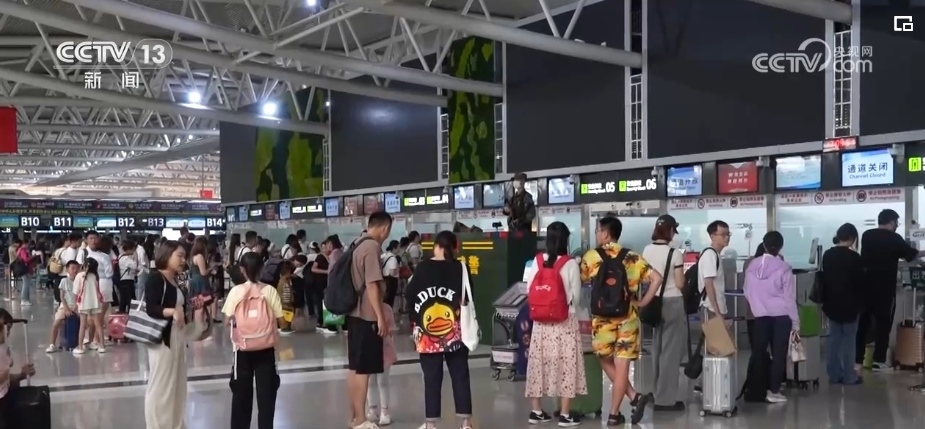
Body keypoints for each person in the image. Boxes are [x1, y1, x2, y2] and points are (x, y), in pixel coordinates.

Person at [579, 216, 661, 425]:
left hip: (601, 319)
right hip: (628, 316)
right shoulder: (632, 256)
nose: (597, 234)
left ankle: (631, 400)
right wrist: (642, 302)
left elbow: (581, 279)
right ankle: (619, 410)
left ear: (606, 233)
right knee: (622, 366)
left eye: (598, 231)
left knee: (604, 359)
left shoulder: (591, 256)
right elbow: (657, 278)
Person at [406, 230, 474, 429]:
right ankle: (466, 423)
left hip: (427, 335)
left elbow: (410, 296)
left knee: (431, 378)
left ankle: (431, 424)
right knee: (460, 375)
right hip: (456, 332)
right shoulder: (461, 268)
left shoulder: (422, 268)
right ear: (454, 248)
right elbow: (470, 295)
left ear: (436, 246)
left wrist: (415, 318)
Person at [522, 222, 586, 426]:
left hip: (541, 323)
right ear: (566, 240)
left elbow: (528, 290)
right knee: (567, 365)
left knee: (538, 364)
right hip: (565, 321)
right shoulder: (570, 263)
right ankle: (565, 414)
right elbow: (576, 297)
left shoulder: (537, 260)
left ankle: (536, 411)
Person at [857, 209, 925, 371]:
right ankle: (879, 360)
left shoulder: (867, 235)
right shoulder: (894, 239)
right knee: (883, 323)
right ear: (892, 222)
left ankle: (857, 359)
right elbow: (911, 255)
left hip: (865, 288)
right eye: (897, 222)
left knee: (863, 324)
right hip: (884, 288)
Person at [224, 252, 284, 429]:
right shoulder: (270, 291)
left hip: (242, 350)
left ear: (242, 270)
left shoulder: (236, 292)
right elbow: (282, 321)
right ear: (262, 269)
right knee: (267, 395)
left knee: (241, 394)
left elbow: (227, 321)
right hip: (266, 348)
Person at [345, 212, 393, 429]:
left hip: (354, 315)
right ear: (385, 228)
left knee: (355, 368)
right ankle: (361, 420)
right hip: (367, 316)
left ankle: (355, 417)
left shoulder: (357, 243)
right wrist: (380, 317)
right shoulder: (372, 247)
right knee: (364, 370)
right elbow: (372, 284)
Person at [743, 231, 797, 403]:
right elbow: (789, 298)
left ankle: (757, 389)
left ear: (764, 245)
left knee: (759, 353)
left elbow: (747, 291)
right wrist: (796, 323)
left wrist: (757, 307)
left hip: (760, 316)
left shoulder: (751, 266)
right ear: (780, 247)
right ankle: (774, 391)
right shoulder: (784, 268)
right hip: (781, 316)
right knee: (779, 354)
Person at [641, 215, 687, 412]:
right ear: (670, 231)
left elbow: (645, 278)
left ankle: (657, 391)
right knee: (671, 352)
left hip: (654, 302)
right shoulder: (675, 253)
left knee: (657, 349)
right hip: (672, 302)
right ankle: (665, 400)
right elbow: (680, 283)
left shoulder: (646, 250)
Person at [143, 240, 191, 429]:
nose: (183, 260)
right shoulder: (156, 278)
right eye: (179, 255)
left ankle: (175, 424)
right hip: (162, 339)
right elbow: (151, 308)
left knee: (177, 384)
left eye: (184, 256)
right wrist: (172, 312)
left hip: (177, 337)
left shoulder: (174, 280)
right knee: (161, 385)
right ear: (166, 255)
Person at [822, 223, 864, 385]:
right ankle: (849, 376)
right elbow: (860, 283)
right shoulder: (854, 258)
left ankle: (834, 375)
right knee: (849, 341)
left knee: (834, 340)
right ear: (852, 238)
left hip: (832, 303)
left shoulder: (828, 255)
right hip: (850, 305)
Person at [0, 308, 36, 429]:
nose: (7, 333)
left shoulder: (4, 346)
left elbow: (6, 381)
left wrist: (22, 375)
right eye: (3, 328)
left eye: (9, 329)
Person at [77, 230, 115, 343]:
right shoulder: (86, 253)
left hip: (96, 285)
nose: (93, 241)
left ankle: (94, 339)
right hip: (97, 284)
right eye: (91, 238)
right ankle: (94, 339)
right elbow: (109, 273)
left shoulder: (100, 254)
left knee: (95, 314)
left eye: (95, 238)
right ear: (86, 240)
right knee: (96, 315)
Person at [366, 301, 397, 426]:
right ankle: (374, 410)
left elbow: (391, 330)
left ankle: (383, 411)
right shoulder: (365, 308)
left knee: (381, 382)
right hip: (371, 351)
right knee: (371, 382)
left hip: (383, 351)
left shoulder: (386, 309)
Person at [46, 260, 80, 353]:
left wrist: (76, 307)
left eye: (77, 268)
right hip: (65, 306)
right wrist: (66, 309)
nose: (75, 270)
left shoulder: (80, 281)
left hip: (77, 306)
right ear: (67, 269)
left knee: (87, 322)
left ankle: (84, 342)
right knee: (56, 323)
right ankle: (52, 344)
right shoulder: (64, 281)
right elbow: (62, 297)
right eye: (72, 268)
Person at [73, 258, 105, 354]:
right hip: (95, 303)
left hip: (84, 303)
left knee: (82, 325)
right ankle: (102, 346)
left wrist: (75, 304)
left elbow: (75, 292)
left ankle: (80, 347)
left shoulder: (80, 275)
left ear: (85, 265)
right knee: (98, 325)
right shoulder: (95, 276)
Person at [312, 239, 335, 335]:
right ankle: (320, 323)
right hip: (319, 283)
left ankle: (328, 321)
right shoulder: (320, 257)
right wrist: (326, 272)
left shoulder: (332, 257)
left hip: (328, 283)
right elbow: (313, 269)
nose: (325, 249)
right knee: (320, 303)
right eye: (323, 247)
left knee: (326, 302)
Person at [117, 241, 140, 314]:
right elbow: (135, 266)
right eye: (133, 249)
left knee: (123, 300)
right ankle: (130, 315)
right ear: (129, 249)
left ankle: (121, 315)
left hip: (122, 280)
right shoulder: (126, 259)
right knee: (130, 300)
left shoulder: (120, 256)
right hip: (128, 280)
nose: (134, 251)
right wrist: (135, 257)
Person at [13, 240, 37, 306]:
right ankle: (24, 300)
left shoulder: (20, 250)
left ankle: (26, 299)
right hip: (26, 270)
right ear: (25, 243)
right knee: (25, 285)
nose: (28, 245)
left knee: (26, 285)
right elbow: (25, 259)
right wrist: (32, 256)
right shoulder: (23, 250)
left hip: (26, 269)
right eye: (28, 244)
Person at [277, 260, 296, 335]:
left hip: (283, 303)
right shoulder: (285, 283)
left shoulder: (281, 281)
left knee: (287, 316)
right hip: (286, 304)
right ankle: (285, 328)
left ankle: (286, 327)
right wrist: (288, 302)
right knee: (287, 316)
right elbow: (286, 294)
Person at [381, 240, 401, 308]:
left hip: (384, 279)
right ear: (394, 248)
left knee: (385, 299)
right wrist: (398, 269)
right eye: (398, 247)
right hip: (391, 281)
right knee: (390, 300)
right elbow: (392, 273)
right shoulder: (393, 259)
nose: (399, 249)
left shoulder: (385, 255)